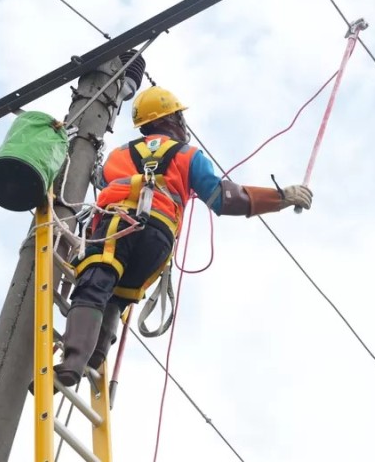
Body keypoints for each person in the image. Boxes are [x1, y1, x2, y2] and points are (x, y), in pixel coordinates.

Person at [53, 85, 314, 387]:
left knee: (96, 283)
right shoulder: (189, 156)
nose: (182, 123)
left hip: (119, 224)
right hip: (158, 241)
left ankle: (73, 361)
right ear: (168, 119)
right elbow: (224, 198)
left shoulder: (119, 155)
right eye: (178, 116)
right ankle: (93, 357)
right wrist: (281, 198)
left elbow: (99, 178)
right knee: (117, 298)